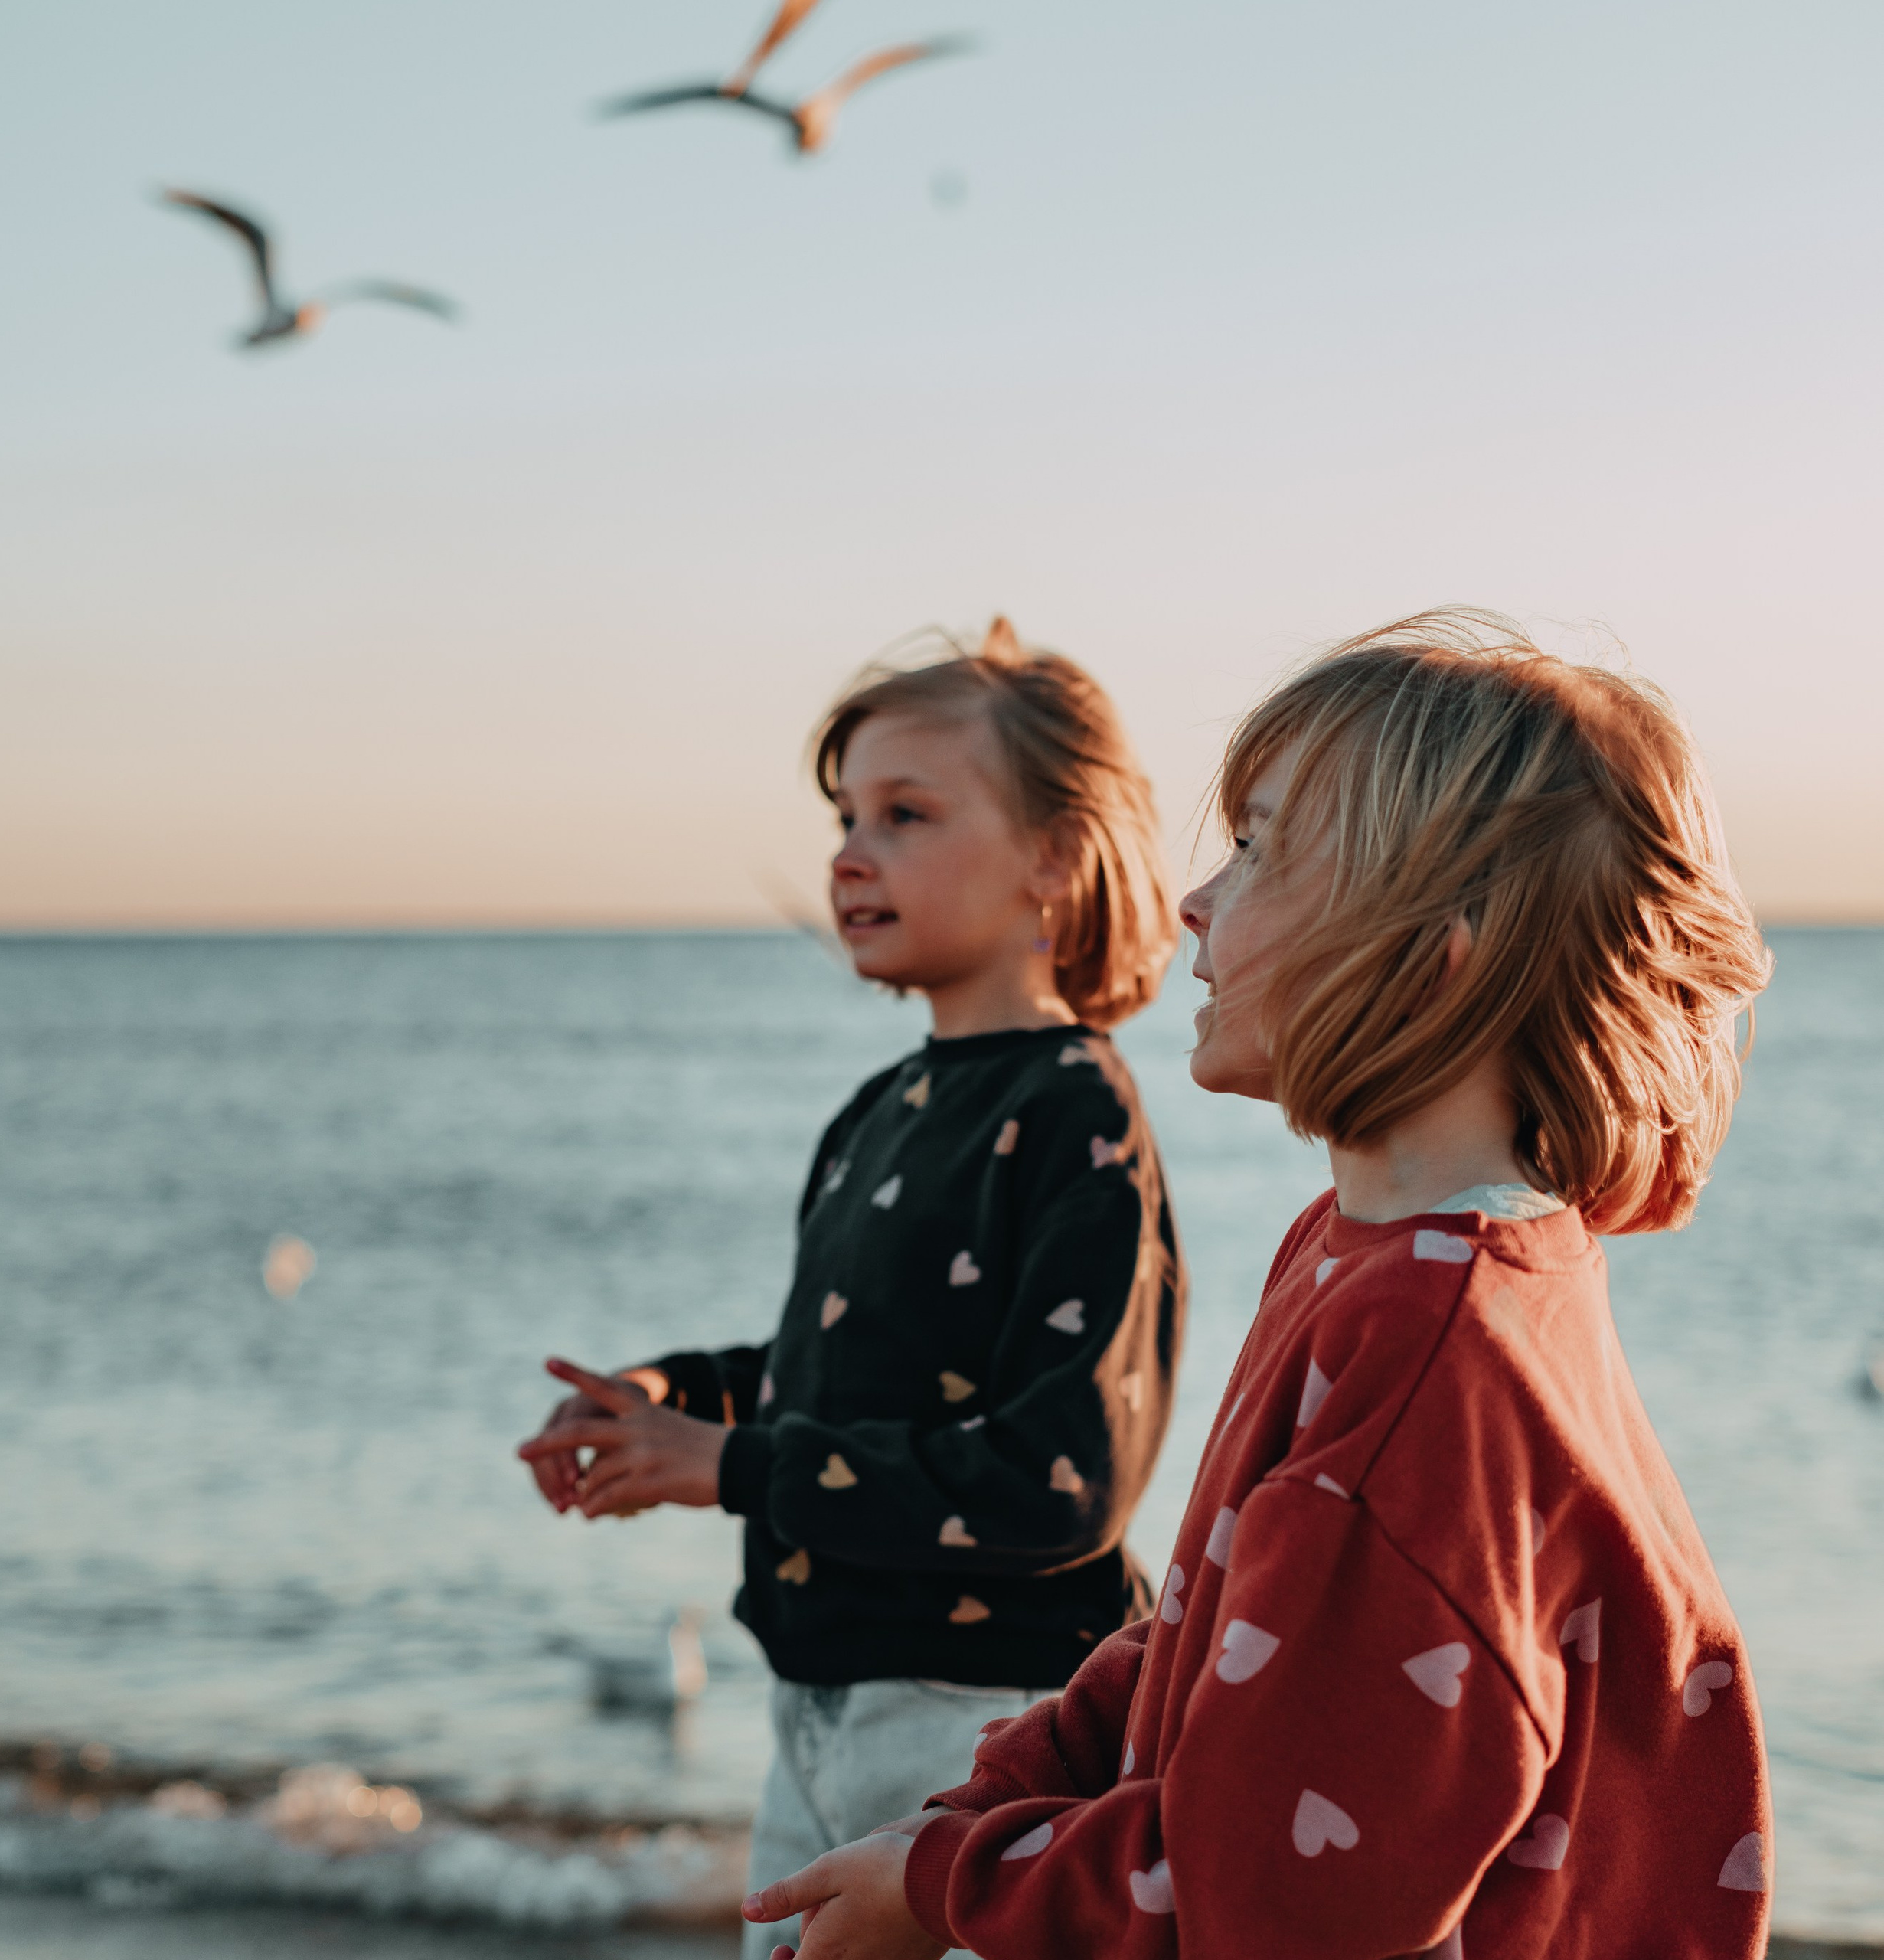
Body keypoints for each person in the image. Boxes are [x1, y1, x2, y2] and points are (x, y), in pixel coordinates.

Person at [743, 609, 1775, 1958]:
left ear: (1434, 945)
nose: (1194, 899)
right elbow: (1205, 1629)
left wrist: (948, 1887)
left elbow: (1268, 1902)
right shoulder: (1367, 1252)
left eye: (1261, 846)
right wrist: (980, 1808)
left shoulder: (1431, 1345)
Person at [518, 619, 1188, 1960]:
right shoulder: (880, 1111)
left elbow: (1062, 1482)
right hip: (812, 1712)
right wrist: (672, 1404)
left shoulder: (1077, 1113)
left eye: (906, 814)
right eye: (845, 817)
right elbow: (843, 1368)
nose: (849, 852)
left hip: (989, 1723)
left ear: (1053, 857)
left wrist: (733, 1466)